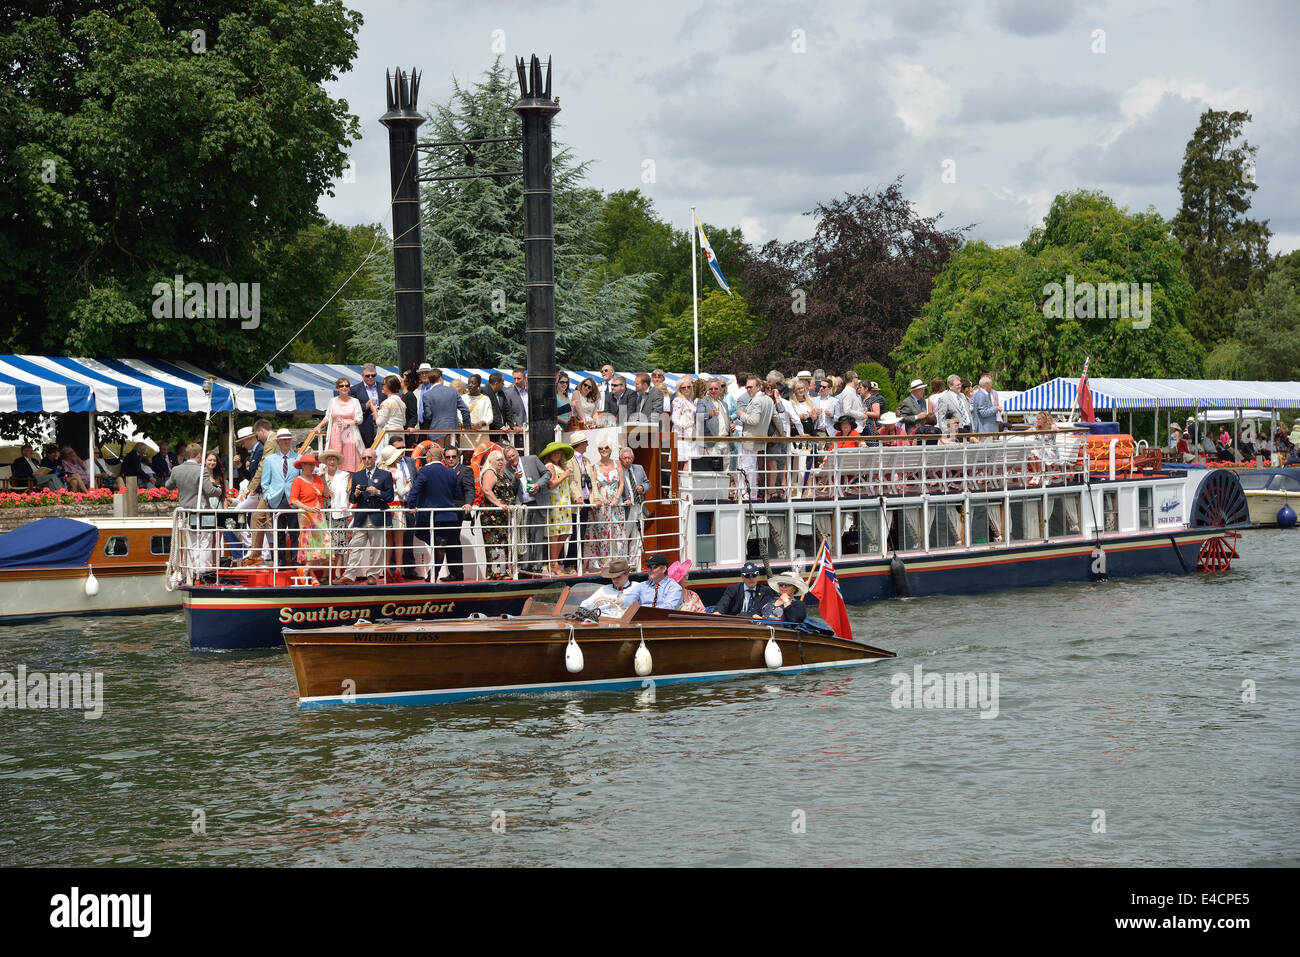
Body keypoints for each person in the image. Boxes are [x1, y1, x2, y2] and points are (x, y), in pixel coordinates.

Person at [408, 442, 468, 582]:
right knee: (441, 546)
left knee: (420, 533)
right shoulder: (451, 472)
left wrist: (411, 505)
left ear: (428, 458)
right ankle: (432, 575)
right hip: (449, 515)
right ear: (441, 458)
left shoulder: (424, 471)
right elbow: (457, 493)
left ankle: (437, 544)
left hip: (429, 516)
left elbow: (414, 490)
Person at [342, 448, 393, 584]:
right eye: (364, 458)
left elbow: (390, 497)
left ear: (375, 458)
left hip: (377, 517)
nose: (367, 460)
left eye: (369, 457)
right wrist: (356, 494)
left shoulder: (385, 475)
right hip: (361, 517)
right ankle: (349, 575)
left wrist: (377, 492)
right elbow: (352, 499)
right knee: (355, 547)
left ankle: (373, 575)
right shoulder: (357, 476)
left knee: (377, 549)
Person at [258, 428, 301, 566]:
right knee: (278, 532)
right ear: (278, 442)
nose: (286, 442)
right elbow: (265, 482)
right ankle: (280, 561)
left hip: (294, 499)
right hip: (276, 499)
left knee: (295, 532)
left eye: (288, 439)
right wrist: (268, 496)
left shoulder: (298, 458)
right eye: (283, 440)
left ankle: (296, 561)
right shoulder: (270, 459)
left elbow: (301, 478)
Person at [478, 448, 519, 579]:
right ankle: (497, 573)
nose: (501, 462)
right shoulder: (490, 472)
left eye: (502, 460)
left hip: (501, 516)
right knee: (495, 543)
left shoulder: (500, 474)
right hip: (492, 516)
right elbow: (487, 490)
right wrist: (500, 504)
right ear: (491, 461)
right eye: (498, 460)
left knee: (502, 543)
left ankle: (501, 571)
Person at [289, 455, 329, 582]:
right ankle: (309, 574)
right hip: (306, 516)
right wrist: (308, 508)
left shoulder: (317, 478)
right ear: (303, 466)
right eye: (309, 464)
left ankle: (306, 571)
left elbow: (326, 494)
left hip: (319, 515)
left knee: (323, 543)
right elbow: (293, 500)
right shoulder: (297, 481)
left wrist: (324, 481)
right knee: (310, 545)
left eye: (313, 464)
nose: (312, 467)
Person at [539, 440, 576, 576]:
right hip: (556, 503)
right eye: (554, 452)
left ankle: (553, 562)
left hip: (563, 503)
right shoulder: (550, 466)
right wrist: (565, 475)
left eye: (559, 453)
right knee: (554, 535)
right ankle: (553, 564)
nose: (557, 455)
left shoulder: (557, 466)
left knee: (564, 533)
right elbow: (550, 484)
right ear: (549, 455)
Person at [313, 377, 364, 473]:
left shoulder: (355, 401)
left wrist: (349, 422)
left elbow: (360, 419)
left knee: (350, 459)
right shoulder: (333, 401)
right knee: (334, 459)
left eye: (346, 386)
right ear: (337, 388)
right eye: (341, 386)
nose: (344, 388)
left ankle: (350, 484)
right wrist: (319, 426)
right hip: (335, 435)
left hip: (350, 434)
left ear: (349, 388)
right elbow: (327, 417)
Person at [587, 440, 625, 568]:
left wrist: (616, 498)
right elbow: (593, 486)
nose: (603, 450)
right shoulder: (595, 466)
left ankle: (618, 562)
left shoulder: (617, 463)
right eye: (600, 448)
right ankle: (604, 562)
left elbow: (621, 484)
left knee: (618, 531)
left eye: (606, 447)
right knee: (603, 532)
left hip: (616, 503)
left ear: (611, 449)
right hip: (602, 503)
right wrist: (601, 499)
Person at [737, 375, 774, 501]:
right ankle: (751, 492)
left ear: (759, 387)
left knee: (748, 467)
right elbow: (776, 419)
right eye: (747, 387)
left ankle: (748, 494)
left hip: (751, 438)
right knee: (752, 467)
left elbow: (754, 420)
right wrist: (782, 434)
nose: (748, 390)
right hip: (759, 439)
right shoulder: (769, 400)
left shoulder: (757, 400)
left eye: (750, 387)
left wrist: (741, 415)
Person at [381, 443, 412, 576]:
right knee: (399, 541)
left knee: (388, 540)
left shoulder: (381, 472)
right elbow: (401, 491)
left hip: (385, 508)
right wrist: (409, 485)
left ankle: (387, 568)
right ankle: (398, 569)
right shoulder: (398, 473)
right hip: (397, 507)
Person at [420, 367, 471, 448]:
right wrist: (467, 427)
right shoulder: (453, 391)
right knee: (452, 456)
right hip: (452, 431)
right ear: (440, 378)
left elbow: (428, 416)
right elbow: (465, 410)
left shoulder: (427, 395)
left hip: (435, 431)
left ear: (430, 380)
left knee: (438, 456)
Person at [319, 448, 352, 568]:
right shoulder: (320, 475)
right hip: (324, 512)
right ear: (326, 462)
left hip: (338, 509)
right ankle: (326, 571)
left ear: (337, 462)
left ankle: (338, 570)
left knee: (340, 541)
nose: (331, 462)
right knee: (325, 542)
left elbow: (343, 491)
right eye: (329, 459)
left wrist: (344, 505)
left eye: (334, 459)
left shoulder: (344, 474)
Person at [373, 375, 406, 454]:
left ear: (388, 386)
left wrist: (374, 410)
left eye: (383, 384)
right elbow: (404, 422)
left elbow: (380, 422)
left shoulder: (387, 403)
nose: (382, 387)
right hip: (400, 434)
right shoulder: (402, 403)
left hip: (388, 435)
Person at [670, 375, 696, 466]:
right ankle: (677, 480)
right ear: (680, 389)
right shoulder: (678, 400)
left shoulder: (690, 400)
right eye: (683, 387)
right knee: (683, 461)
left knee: (688, 460)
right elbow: (674, 418)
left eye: (688, 387)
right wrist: (686, 425)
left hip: (690, 433)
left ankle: (684, 480)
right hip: (681, 434)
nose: (686, 389)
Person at [464, 374, 494, 447]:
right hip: (467, 434)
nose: (470, 385)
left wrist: (480, 424)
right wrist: (468, 424)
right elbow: (458, 415)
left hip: (482, 434)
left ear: (478, 385)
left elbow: (490, 417)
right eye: (469, 383)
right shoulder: (463, 398)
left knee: (482, 455)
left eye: (473, 383)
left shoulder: (485, 399)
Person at [504, 368, 528, 448]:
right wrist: (513, 425)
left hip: (532, 429)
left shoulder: (531, 391)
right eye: (514, 378)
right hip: (518, 432)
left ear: (524, 378)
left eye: (519, 378)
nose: (516, 381)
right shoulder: (508, 393)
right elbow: (508, 413)